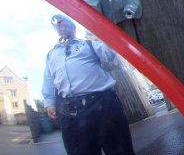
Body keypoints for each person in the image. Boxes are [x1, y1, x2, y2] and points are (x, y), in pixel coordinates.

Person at [42, 14, 135, 155]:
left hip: (103, 104)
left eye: (65, 23)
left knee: (119, 149)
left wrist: (107, 35)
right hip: (70, 110)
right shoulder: (51, 55)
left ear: (73, 27)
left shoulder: (89, 44)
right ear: (55, 30)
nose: (62, 27)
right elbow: (48, 79)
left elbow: (109, 55)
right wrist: (49, 102)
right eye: (58, 25)